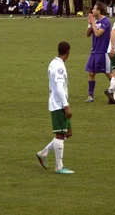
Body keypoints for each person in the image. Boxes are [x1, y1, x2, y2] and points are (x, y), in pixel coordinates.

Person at [35, 41, 74, 174]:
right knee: (60, 134)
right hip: (58, 105)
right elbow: (58, 87)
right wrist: (66, 105)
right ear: (68, 52)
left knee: (68, 133)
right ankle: (59, 166)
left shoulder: (54, 62)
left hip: (58, 103)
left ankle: (44, 153)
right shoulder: (59, 67)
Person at [85, 3, 113, 103]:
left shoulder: (106, 22)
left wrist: (92, 23)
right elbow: (88, 34)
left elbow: (97, 34)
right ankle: (90, 96)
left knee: (109, 74)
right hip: (94, 52)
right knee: (91, 73)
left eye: (94, 8)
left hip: (103, 52)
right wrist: (90, 23)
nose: (92, 10)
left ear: (99, 10)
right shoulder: (95, 21)